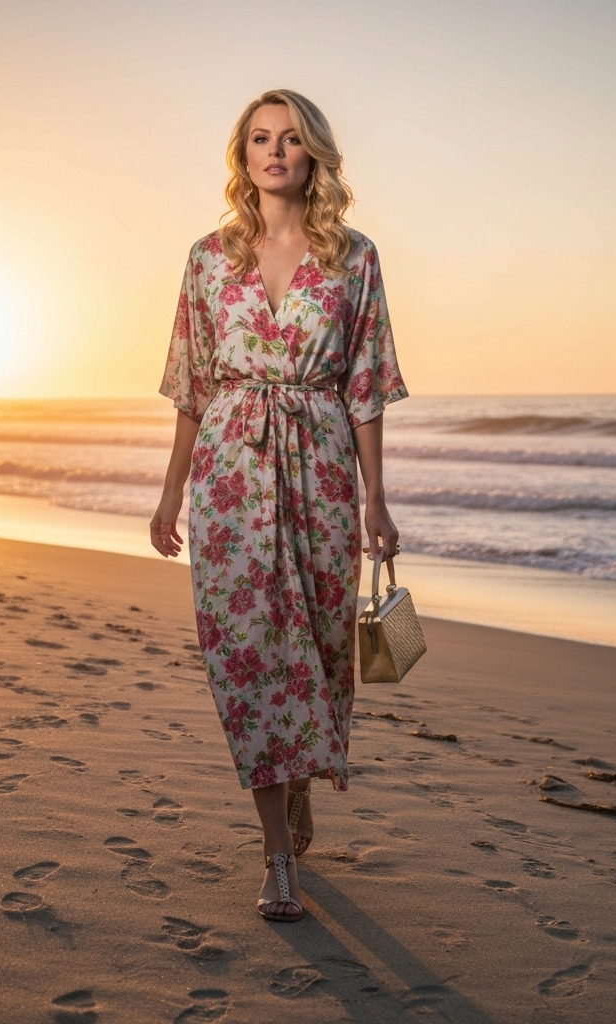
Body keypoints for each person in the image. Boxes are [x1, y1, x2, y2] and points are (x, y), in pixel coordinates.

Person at [151, 88, 407, 922]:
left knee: (321, 650)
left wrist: (377, 499)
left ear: (313, 155)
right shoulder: (207, 257)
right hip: (227, 471)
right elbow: (191, 385)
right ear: (243, 156)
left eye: (290, 139)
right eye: (260, 139)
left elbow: (365, 387)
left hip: (324, 468)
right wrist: (167, 493)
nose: (274, 152)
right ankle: (275, 855)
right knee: (249, 652)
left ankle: (299, 782)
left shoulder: (354, 257)